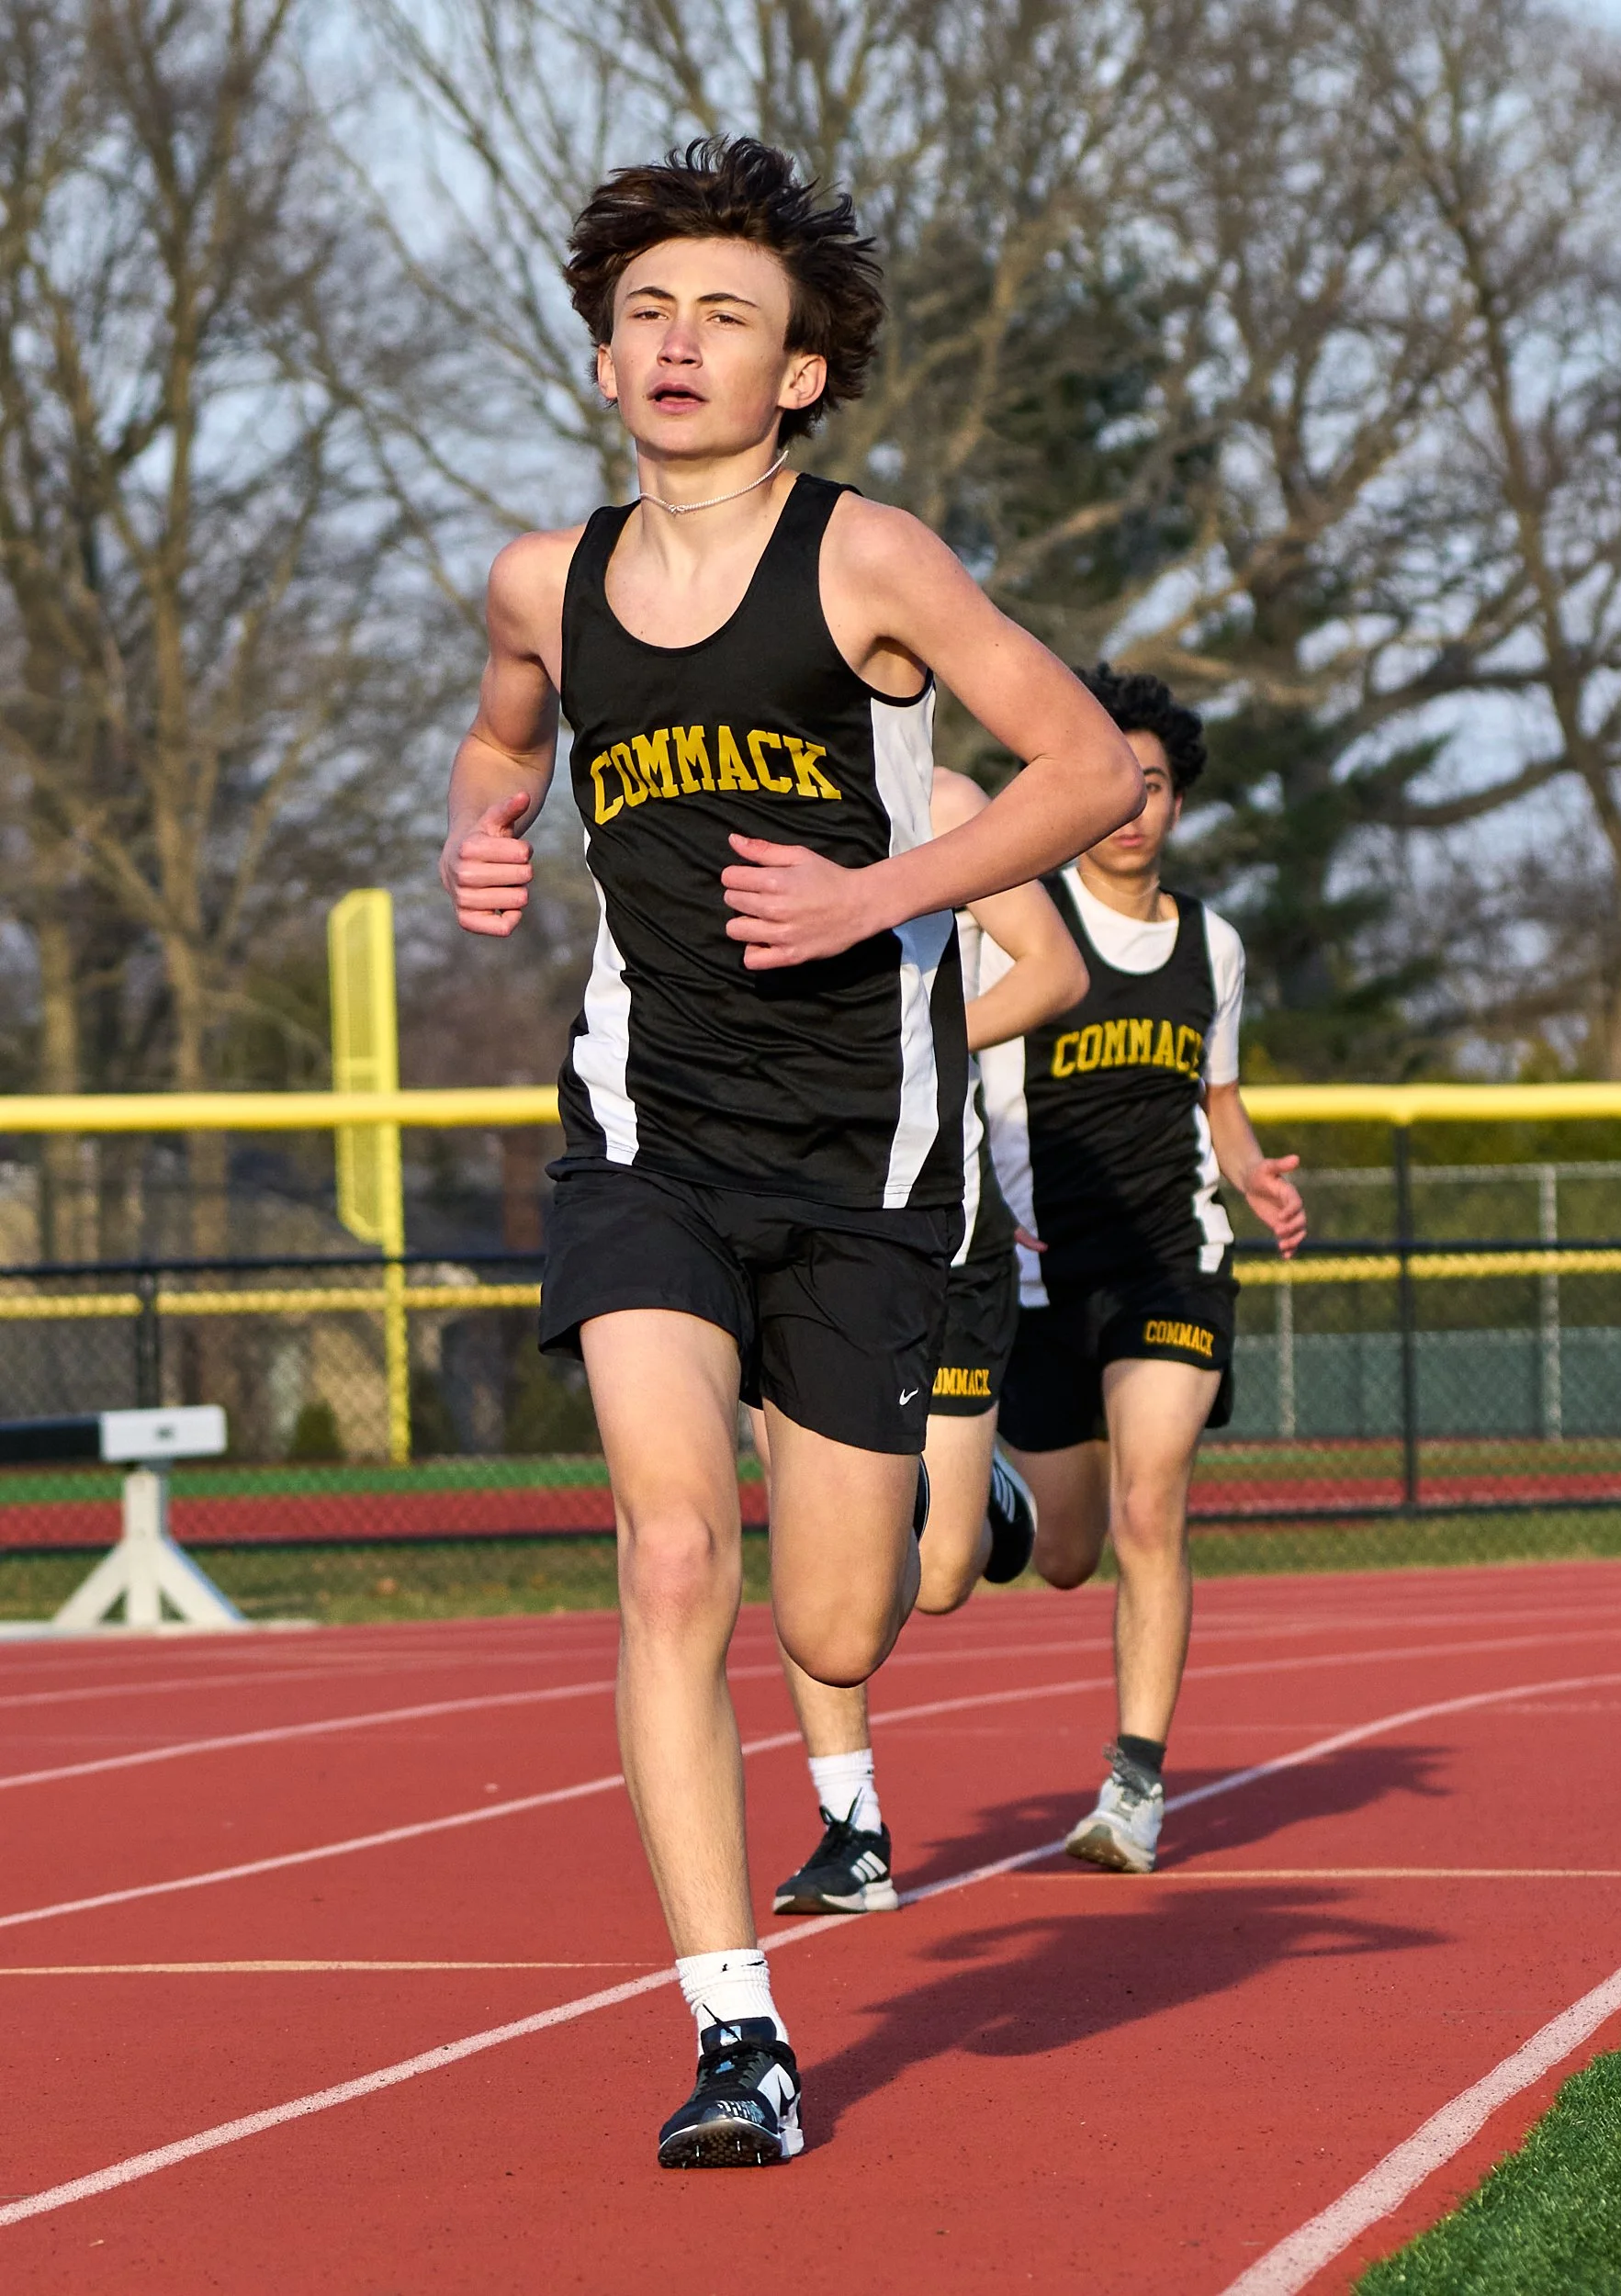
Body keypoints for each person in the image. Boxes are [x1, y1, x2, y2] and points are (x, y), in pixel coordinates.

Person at [439, 139, 1144, 2167]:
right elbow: (501, 739)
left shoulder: (869, 565)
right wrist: (479, 833)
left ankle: (958, 1499)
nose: (678, 343)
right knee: (674, 1554)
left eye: (724, 316)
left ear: (799, 373)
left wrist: (879, 895)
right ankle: (735, 2027)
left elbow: (1086, 765)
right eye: (646, 312)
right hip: (646, 1134)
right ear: (602, 358)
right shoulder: (541, 583)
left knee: (840, 1624)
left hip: (862, 1153)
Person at [983, 666, 1306, 1877]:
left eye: (1153, 785)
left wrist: (1252, 1174)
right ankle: (993, 1488)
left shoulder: (1211, 944)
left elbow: (1217, 1099)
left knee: (1148, 1504)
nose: (1131, 808)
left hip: (1172, 1260)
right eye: (1113, 783)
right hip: (1040, 1272)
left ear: (1177, 800)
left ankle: (1134, 1784)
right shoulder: (1020, 920)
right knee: (1066, 1552)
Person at [766, 765, 1087, 1919]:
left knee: (940, 1573)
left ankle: (979, 1489)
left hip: (940, 1228)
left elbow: (1054, 969)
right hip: (787, 1222)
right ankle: (849, 1824)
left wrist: (915, 1041)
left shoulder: (941, 803)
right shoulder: (721, 790)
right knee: (803, 1524)